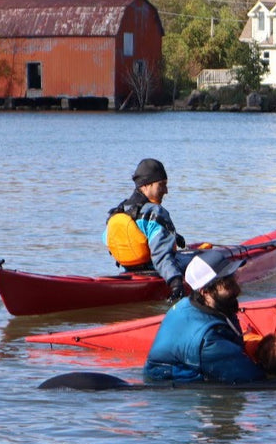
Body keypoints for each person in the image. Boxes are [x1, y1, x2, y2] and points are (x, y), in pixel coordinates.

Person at [143, 249, 264, 384]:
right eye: (228, 284)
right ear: (205, 291)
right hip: (175, 388)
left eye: (233, 278)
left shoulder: (199, 304)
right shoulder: (208, 340)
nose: (238, 289)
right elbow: (252, 378)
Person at [103, 158, 191, 300]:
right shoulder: (156, 212)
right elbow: (161, 256)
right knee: (213, 258)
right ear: (146, 185)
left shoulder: (119, 211)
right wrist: (176, 283)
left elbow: (109, 238)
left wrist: (172, 235)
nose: (166, 191)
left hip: (129, 272)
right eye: (161, 185)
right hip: (157, 272)